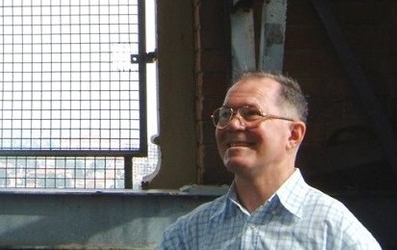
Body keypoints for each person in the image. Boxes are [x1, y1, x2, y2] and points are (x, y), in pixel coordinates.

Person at [159, 71, 381, 249]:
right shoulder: (189, 234)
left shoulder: (331, 228)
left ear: (293, 135)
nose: (233, 124)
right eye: (226, 114)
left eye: (251, 114)